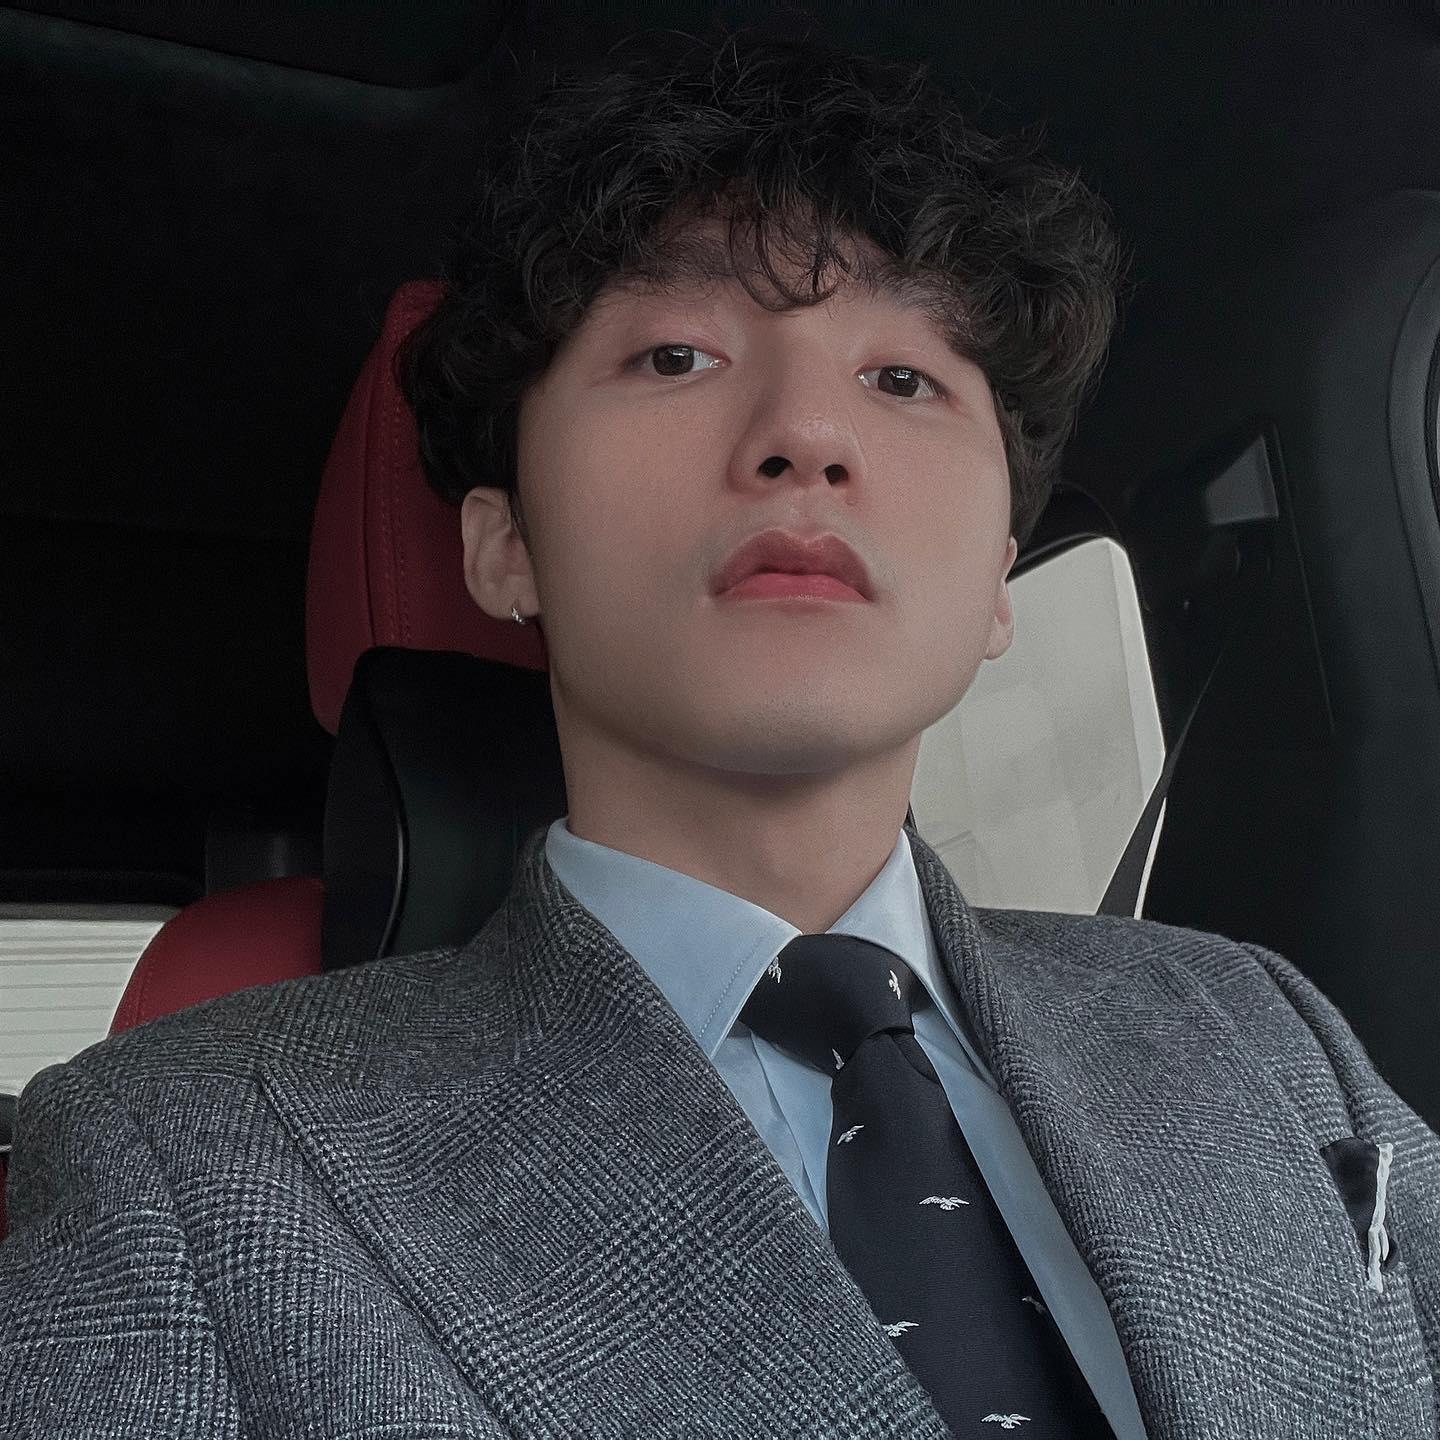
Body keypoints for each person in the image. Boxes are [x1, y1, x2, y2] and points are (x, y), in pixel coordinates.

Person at [3, 19, 1437, 1439]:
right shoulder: (172, 1165)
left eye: (905, 380)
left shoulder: (1257, 1026)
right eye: (677, 354)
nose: (807, 435)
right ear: (506, 547)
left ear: (1001, 577)